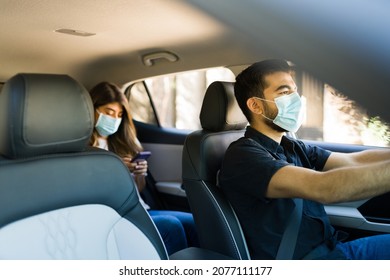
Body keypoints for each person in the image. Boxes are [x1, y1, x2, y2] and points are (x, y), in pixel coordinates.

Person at [218, 59, 390, 260]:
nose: (296, 99)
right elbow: (325, 187)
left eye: (294, 90)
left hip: (332, 248)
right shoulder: (243, 156)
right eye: (284, 92)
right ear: (255, 105)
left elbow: (353, 161)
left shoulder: (291, 145)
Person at [88, 81, 199, 255]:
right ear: (92, 109)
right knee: (171, 226)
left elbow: (138, 190)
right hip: (118, 214)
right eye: (109, 112)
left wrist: (139, 174)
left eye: (119, 114)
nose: (115, 119)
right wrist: (117, 169)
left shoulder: (121, 142)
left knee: (193, 222)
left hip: (140, 208)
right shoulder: (84, 148)